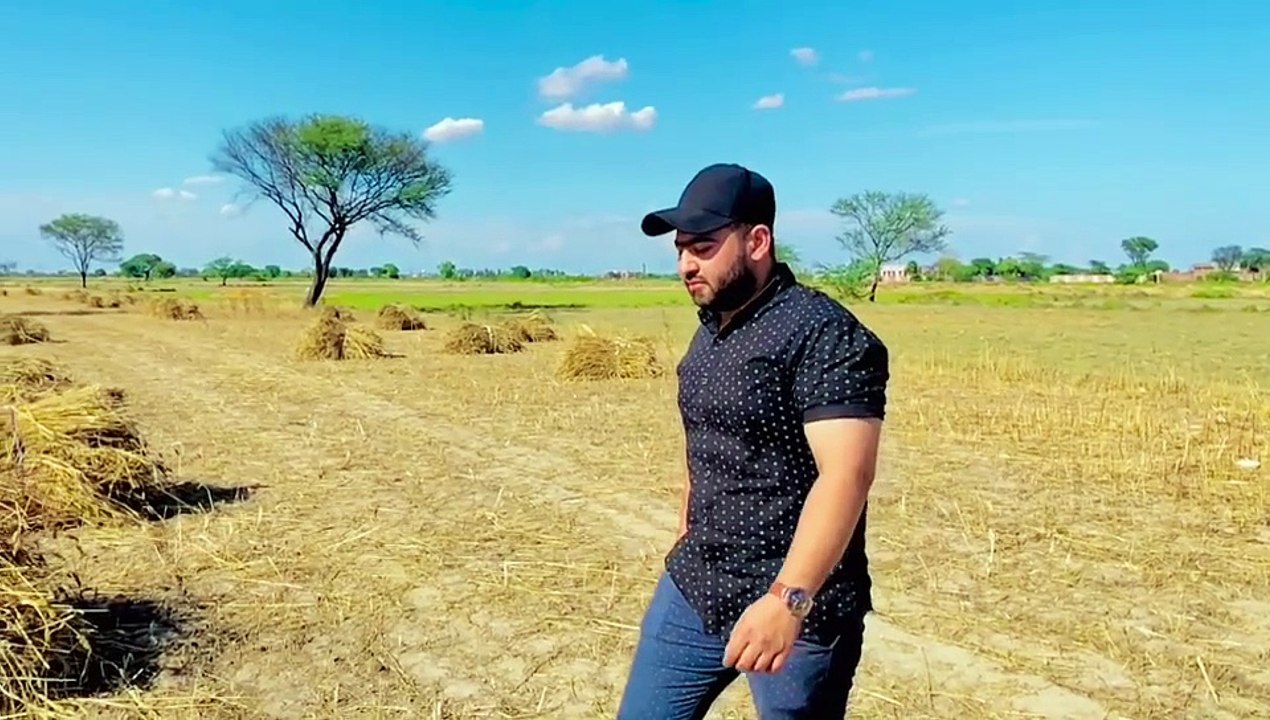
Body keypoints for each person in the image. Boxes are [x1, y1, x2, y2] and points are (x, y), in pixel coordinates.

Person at [616, 163, 889, 719]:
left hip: (798, 605)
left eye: (703, 247)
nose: (686, 265)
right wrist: (686, 528)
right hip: (697, 582)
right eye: (680, 250)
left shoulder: (825, 333)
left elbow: (847, 475)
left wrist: (789, 600)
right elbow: (706, 440)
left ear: (757, 241)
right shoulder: (710, 327)